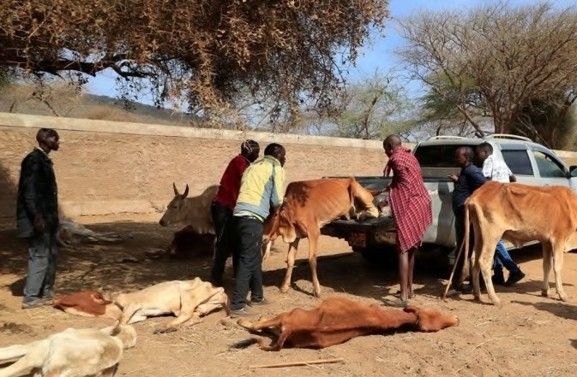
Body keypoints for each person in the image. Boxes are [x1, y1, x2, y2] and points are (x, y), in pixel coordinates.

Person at [229, 143, 286, 317]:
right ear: (279, 155)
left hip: (238, 215)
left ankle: (257, 295)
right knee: (248, 259)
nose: (285, 159)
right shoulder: (275, 168)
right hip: (253, 218)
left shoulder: (252, 167)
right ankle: (237, 305)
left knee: (253, 257)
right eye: (284, 156)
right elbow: (277, 199)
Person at [381, 135, 433, 307]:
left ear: (389, 146)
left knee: (403, 248)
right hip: (421, 202)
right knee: (410, 247)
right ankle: (409, 290)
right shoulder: (409, 156)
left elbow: (405, 185)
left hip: (410, 204)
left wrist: (392, 198)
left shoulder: (396, 159)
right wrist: (386, 193)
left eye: (385, 150)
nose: (386, 154)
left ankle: (403, 297)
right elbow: (401, 181)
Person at [16, 128, 61, 309]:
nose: (58, 142)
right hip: (39, 218)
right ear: (45, 140)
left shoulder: (43, 160)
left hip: (48, 217)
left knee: (51, 254)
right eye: (55, 139)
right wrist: (37, 216)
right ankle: (31, 298)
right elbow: (29, 191)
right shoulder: (33, 160)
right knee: (39, 255)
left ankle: (46, 292)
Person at [209, 140, 260, 287]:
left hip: (231, 208)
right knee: (224, 243)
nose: (257, 156)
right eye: (256, 153)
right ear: (248, 152)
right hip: (224, 207)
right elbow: (247, 180)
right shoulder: (240, 162)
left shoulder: (243, 162)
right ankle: (216, 278)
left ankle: (238, 275)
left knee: (237, 243)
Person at [475, 142, 525, 286]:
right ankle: (498, 273)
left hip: (495, 203)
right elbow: (513, 178)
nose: (478, 157)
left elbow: (483, 181)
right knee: (497, 237)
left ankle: (514, 270)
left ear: (485, 152)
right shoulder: (501, 162)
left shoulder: (488, 162)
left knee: (495, 240)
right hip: (506, 202)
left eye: (478, 153)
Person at [449, 146, 486, 294]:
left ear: (467, 158)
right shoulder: (466, 171)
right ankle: (468, 282)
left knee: (467, 249)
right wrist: (458, 181)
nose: (455, 159)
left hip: (468, 217)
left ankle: (464, 283)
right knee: (465, 249)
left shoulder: (472, 171)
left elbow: (485, 186)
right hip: (461, 215)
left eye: (458, 157)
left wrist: (473, 200)